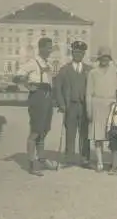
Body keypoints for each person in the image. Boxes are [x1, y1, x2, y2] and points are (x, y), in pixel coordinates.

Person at [13, 37, 58, 176]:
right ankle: (32, 164)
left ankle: (41, 158)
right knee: (35, 131)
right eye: (48, 47)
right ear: (41, 48)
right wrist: (27, 85)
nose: (50, 50)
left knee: (44, 130)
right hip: (37, 96)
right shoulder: (32, 63)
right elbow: (16, 77)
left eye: (51, 47)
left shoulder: (48, 64)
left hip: (48, 97)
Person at [54, 40, 92, 168]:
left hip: (84, 106)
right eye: (76, 52)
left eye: (81, 52)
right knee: (70, 132)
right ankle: (69, 158)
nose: (78, 54)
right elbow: (57, 88)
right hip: (70, 105)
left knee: (85, 132)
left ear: (84, 54)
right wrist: (61, 104)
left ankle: (84, 158)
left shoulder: (89, 70)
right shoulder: (65, 69)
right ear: (72, 52)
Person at [86, 46, 117, 173]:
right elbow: (88, 93)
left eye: (106, 57)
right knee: (98, 136)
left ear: (109, 59)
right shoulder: (92, 73)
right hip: (97, 105)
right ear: (99, 58)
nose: (104, 60)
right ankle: (99, 161)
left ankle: (113, 161)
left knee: (112, 135)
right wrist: (88, 109)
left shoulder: (114, 71)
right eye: (102, 57)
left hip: (111, 105)